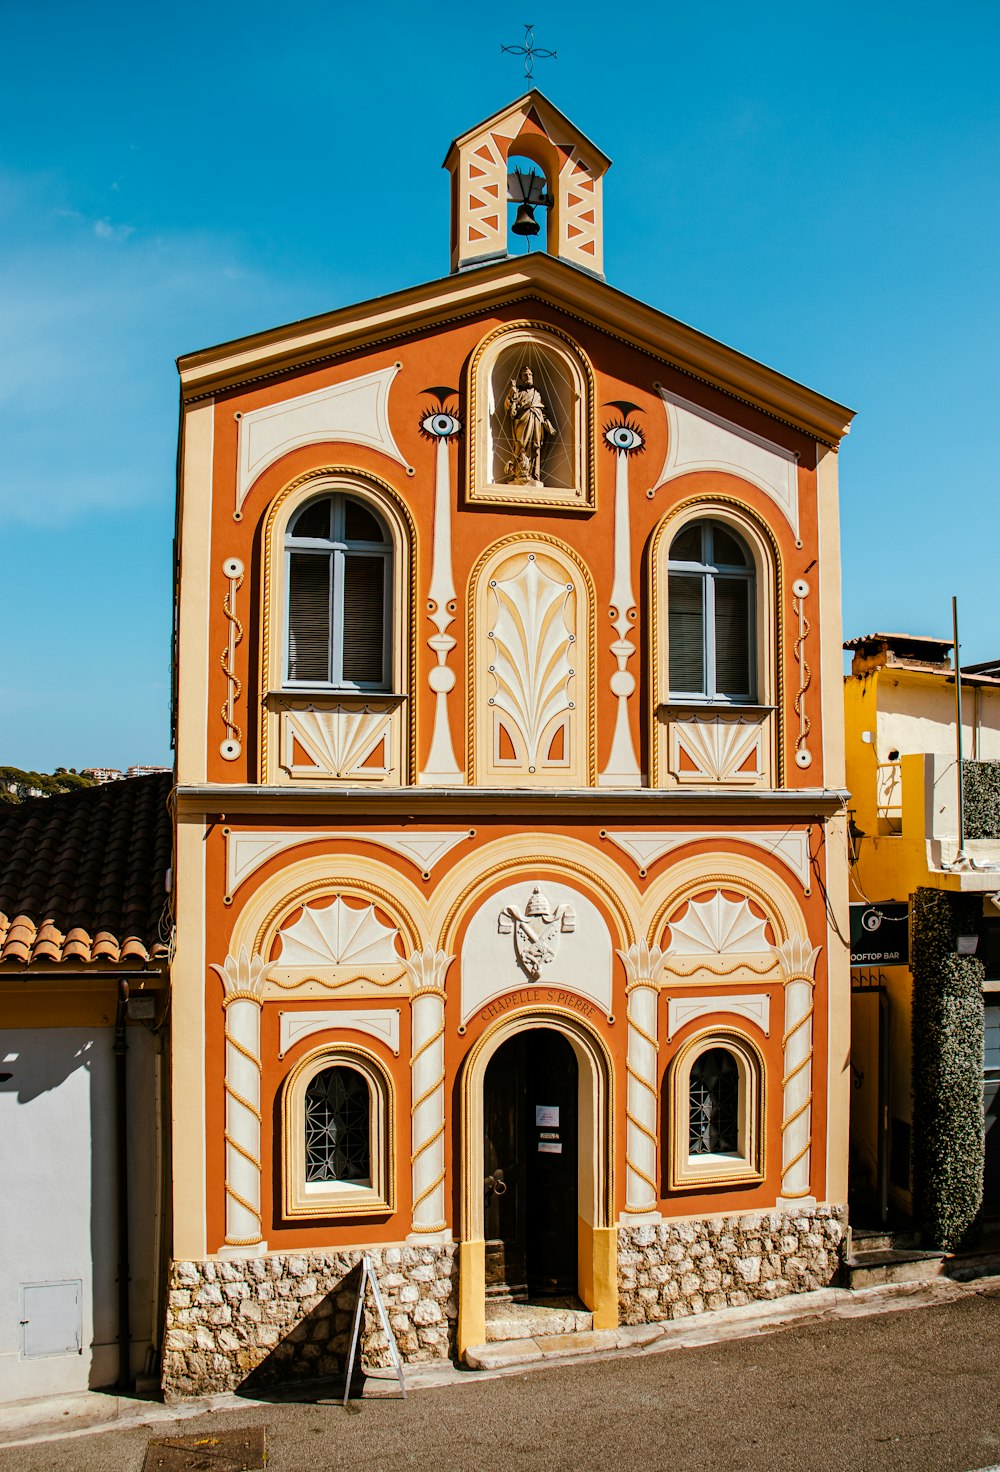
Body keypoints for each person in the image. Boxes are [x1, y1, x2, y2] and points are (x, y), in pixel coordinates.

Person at [503, 366, 556, 485]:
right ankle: (518, 472)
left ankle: (532, 473)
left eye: (530, 374)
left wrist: (548, 425)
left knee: (535, 448)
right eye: (525, 375)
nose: (528, 377)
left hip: (536, 423)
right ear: (521, 378)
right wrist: (512, 393)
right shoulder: (518, 392)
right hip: (522, 422)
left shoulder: (537, 394)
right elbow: (509, 407)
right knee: (521, 445)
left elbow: (544, 412)